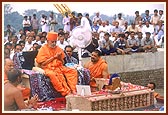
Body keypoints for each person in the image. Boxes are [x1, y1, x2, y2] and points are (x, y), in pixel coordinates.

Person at [36, 32, 78, 96]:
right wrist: (54, 57)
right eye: (52, 42)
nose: (54, 44)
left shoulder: (58, 49)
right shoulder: (43, 49)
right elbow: (43, 64)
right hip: (48, 68)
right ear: (47, 41)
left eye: (55, 42)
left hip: (59, 67)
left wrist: (59, 58)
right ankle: (64, 92)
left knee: (72, 71)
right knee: (53, 75)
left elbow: (63, 62)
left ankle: (73, 89)